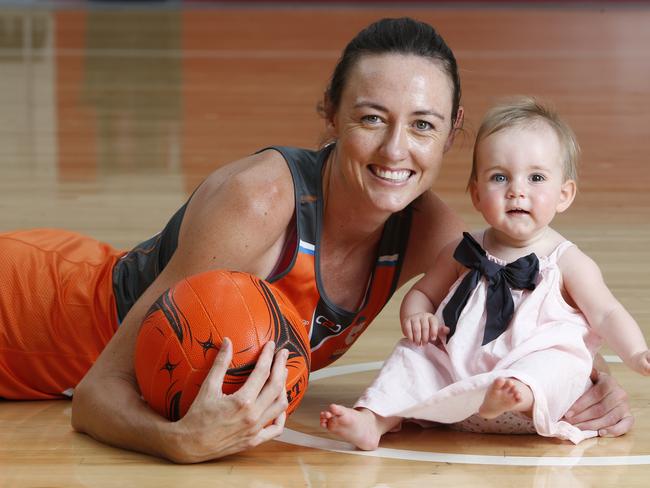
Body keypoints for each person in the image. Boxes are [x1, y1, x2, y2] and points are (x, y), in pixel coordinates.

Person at [0, 18, 631, 464]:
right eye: (370, 118)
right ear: (330, 112)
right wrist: (180, 442)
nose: (395, 150)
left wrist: (587, 384)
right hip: (33, 314)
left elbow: (528, 306)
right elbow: (97, 395)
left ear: (451, 134)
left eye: (423, 126)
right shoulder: (260, 200)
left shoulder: (434, 233)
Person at [320, 96, 647, 449]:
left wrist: (636, 352)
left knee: (562, 361)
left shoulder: (566, 260)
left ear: (564, 194)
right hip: (461, 381)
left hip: (529, 390)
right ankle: (374, 420)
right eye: (499, 177)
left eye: (536, 177)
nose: (517, 190)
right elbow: (423, 293)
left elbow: (606, 312)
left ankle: (517, 394)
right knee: (412, 356)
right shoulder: (464, 251)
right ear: (476, 194)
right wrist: (417, 316)